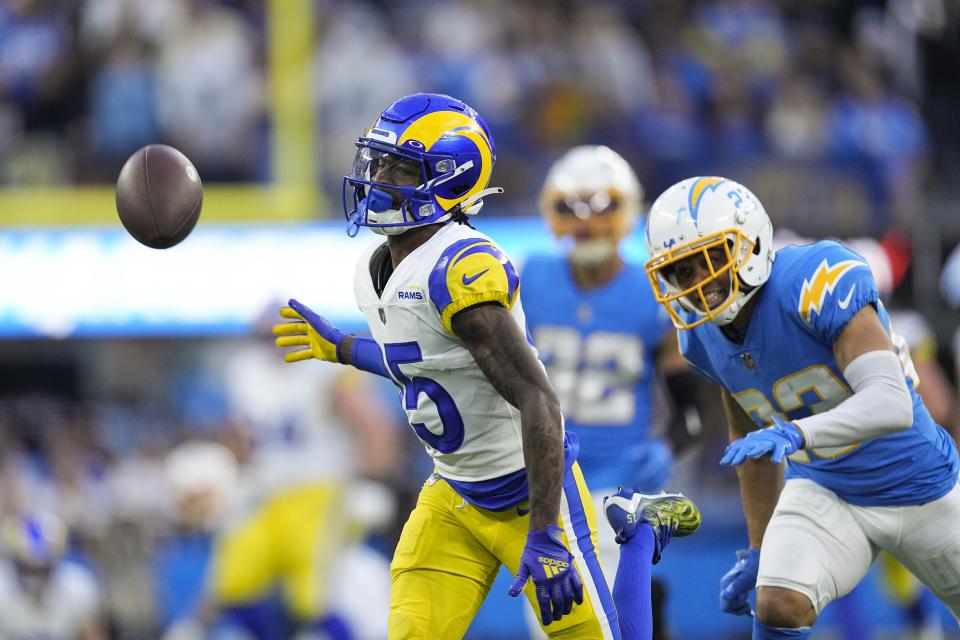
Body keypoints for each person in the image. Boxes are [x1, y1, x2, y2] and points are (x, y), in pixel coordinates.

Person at [272, 92, 700, 640]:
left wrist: (545, 531)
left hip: (530, 495)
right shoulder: (374, 267)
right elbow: (429, 368)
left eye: (399, 167)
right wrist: (345, 349)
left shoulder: (460, 268)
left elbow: (537, 398)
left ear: (449, 181)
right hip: (452, 495)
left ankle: (638, 534)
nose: (378, 177)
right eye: (378, 162)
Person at [642, 176, 960, 639]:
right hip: (825, 487)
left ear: (749, 242)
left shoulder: (812, 278)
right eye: (682, 271)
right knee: (777, 603)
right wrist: (758, 547)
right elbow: (747, 439)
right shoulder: (698, 337)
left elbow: (892, 403)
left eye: (708, 260)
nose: (697, 283)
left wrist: (798, 433)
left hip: (918, 482)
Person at [521, 145, 705, 639]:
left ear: (625, 210)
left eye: (601, 205)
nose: (586, 221)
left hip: (616, 488)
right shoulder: (528, 279)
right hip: (543, 485)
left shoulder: (653, 288)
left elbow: (691, 411)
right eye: (571, 207)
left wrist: (664, 451)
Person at [0, 511, 107, 640]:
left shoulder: (77, 584)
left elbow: (93, 635)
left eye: (43, 570)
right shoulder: (3, 587)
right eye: (27, 569)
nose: (35, 578)